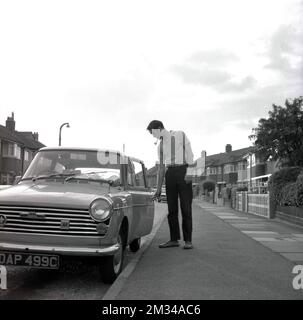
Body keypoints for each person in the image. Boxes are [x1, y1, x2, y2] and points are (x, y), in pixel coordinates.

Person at [146, 120, 196, 249]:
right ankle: (174, 239)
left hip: (183, 171)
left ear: (158, 128)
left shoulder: (180, 134)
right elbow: (161, 168)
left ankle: (188, 241)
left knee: (186, 208)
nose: (153, 136)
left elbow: (190, 154)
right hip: (170, 174)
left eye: (152, 133)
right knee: (172, 210)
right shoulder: (160, 146)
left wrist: (190, 173)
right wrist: (157, 189)